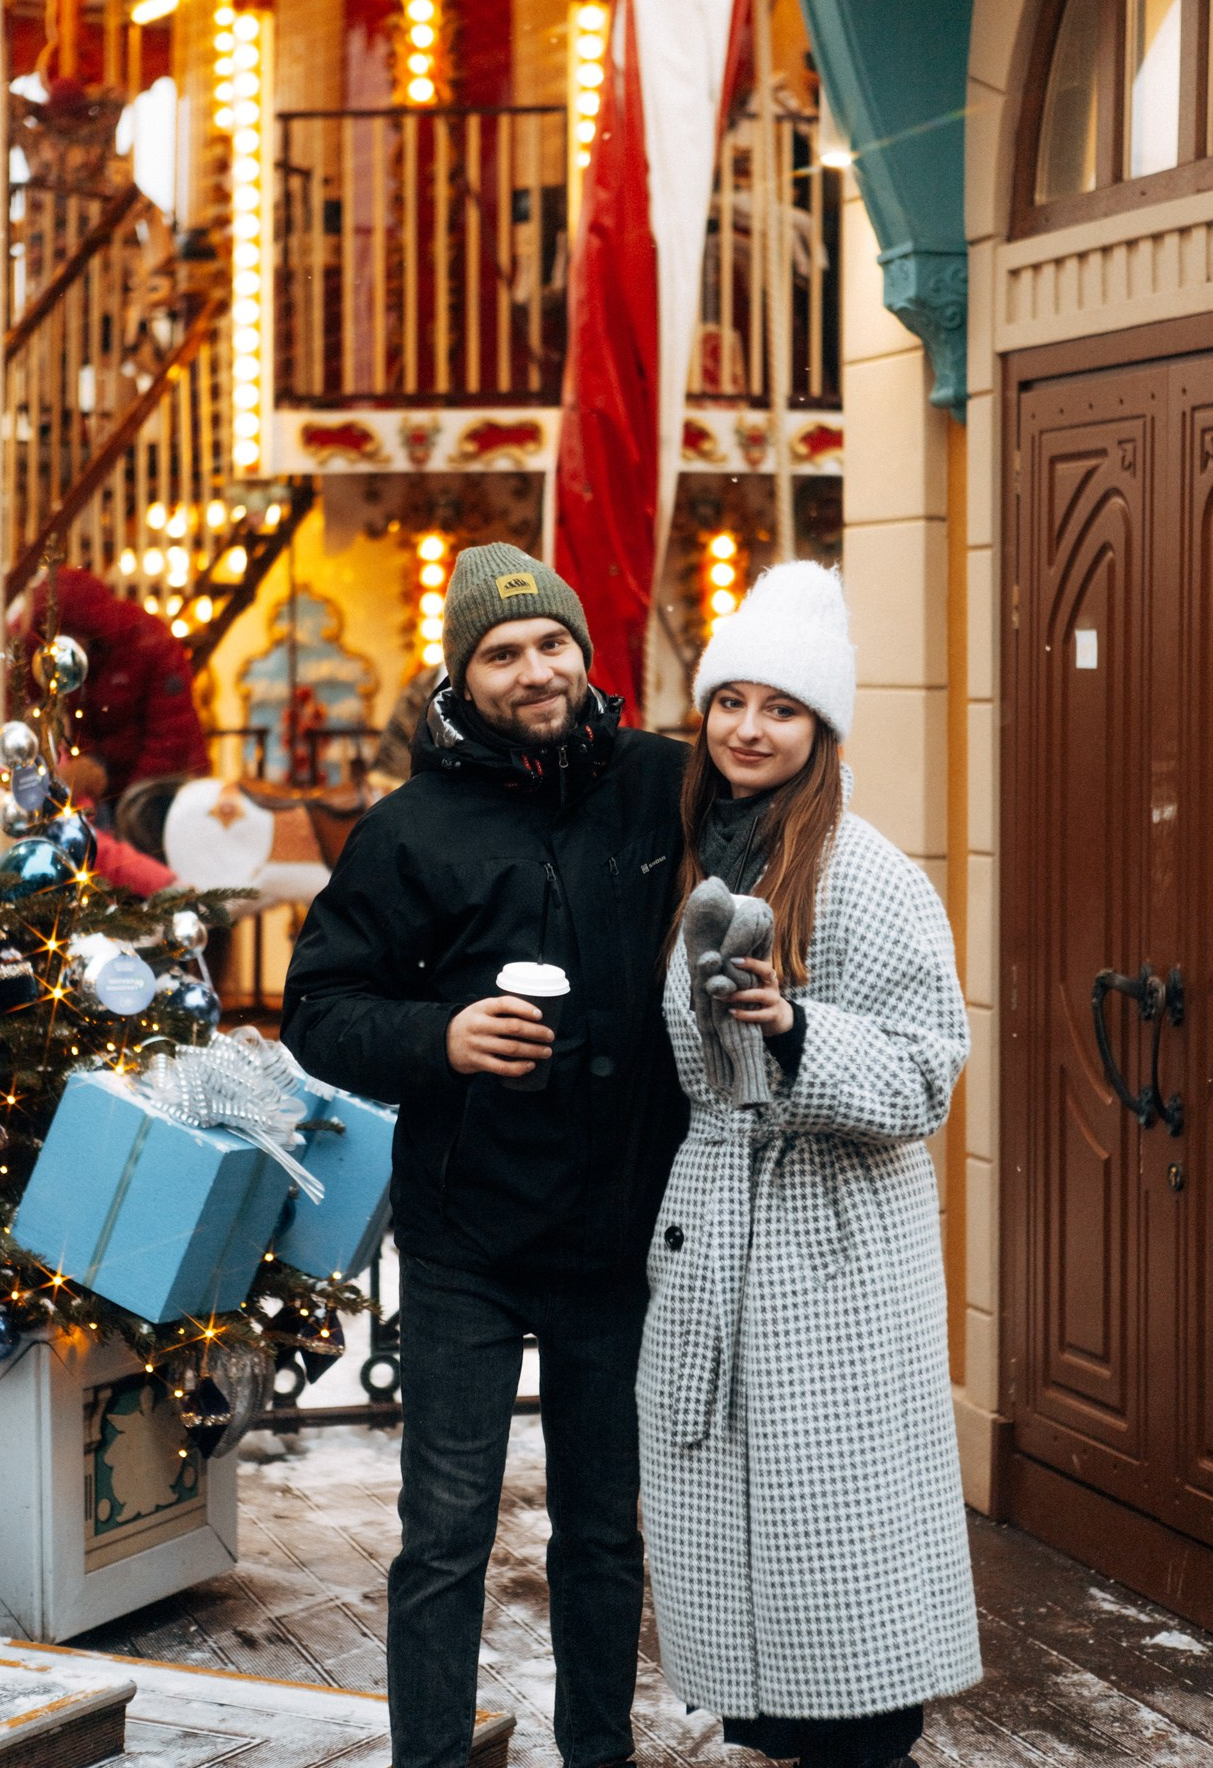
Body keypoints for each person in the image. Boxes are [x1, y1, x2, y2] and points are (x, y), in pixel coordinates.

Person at [281, 543, 689, 1768]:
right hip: (466, 1236)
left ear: (581, 652)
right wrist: (439, 1035)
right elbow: (317, 1006)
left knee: (603, 1532)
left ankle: (598, 1753)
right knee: (446, 1528)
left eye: (550, 643)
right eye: (501, 653)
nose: (533, 669)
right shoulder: (410, 829)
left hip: (616, 1228)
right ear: (462, 676)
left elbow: (787, 825)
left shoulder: (663, 786)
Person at [637, 561, 980, 1768]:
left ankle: (867, 1740)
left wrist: (794, 1032)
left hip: (830, 1251)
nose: (748, 728)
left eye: (779, 709)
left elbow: (926, 1075)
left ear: (818, 730)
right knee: (742, 1558)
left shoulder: (869, 873)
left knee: (842, 1555)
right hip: (713, 1232)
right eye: (730, 701)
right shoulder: (686, 850)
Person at [24, 569, 210, 802]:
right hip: (100, 778)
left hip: (168, 782)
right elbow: (23, 701)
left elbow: (169, 739)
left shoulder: (150, 644)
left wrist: (133, 801)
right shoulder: (48, 650)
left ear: (90, 630)